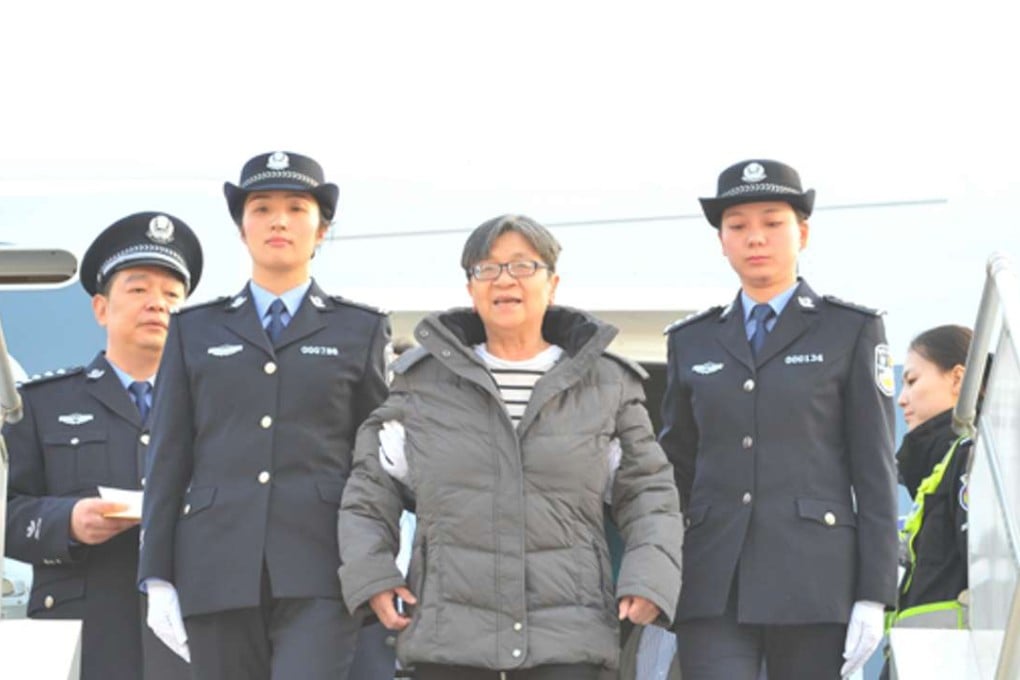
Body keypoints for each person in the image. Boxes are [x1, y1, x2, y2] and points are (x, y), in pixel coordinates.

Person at [338, 214, 683, 680]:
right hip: (448, 644)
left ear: (552, 282)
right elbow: (368, 491)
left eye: (523, 266)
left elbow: (649, 495)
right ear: (470, 288)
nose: (504, 280)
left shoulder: (606, 384)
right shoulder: (419, 385)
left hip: (569, 644)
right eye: (487, 268)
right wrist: (373, 576)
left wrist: (649, 578)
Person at [137, 151, 390, 680]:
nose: (279, 220)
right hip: (215, 564)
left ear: (322, 231)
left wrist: (381, 561)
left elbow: (376, 464)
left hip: (324, 566)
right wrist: (157, 574)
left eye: (297, 208)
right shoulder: (195, 330)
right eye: (262, 207)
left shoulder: (358, 330)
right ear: (241, 228)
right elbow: (168, 458)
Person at [659, 159, 899, 679]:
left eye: (772, 222)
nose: (755, 238)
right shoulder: (691, 340)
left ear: (802, 233)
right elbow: (672, 470)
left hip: (816, 581)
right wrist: (654, 566)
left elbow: (876, 470)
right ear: (721, 241)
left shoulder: (849, 330)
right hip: (712, 580)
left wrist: (874, 592)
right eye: (738, 226)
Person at [4, 211, 202, 680]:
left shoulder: (218, 407)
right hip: (84, 633)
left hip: (192, 635)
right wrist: (66, 521)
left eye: (172, 294)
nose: (157, 304)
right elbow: (6, 511)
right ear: (100, 308)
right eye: (138, 289)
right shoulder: (41, 404)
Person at [890, 325, 973, 628]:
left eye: (912, 380)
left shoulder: (969, 460)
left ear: (958, 379)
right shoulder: (942, 465)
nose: (902, 399)